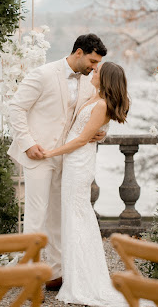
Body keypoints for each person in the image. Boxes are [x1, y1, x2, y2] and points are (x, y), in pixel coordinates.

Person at [8, 34, 107, 289]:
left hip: (67, 157)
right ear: (78, 52)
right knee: (36, 216)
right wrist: (28, 143)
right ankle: (30, 279)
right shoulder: (43, 74)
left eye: (97, 63)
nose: (94, 67)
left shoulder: (87, 83)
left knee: (57, 216)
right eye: (92, 61)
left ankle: (54, 272)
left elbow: (90, 115)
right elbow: (16, 109)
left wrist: (100, 132)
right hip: (38, 155)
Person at [42, 62, 130, 307]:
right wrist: (103, 131)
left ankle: (83, 278)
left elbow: (82, 139)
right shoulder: (95, 97)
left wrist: (51, 153)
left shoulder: (101, 105)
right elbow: (89, 127)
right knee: (72, 214)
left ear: (107, 80)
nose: (93, 72)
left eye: (98, 72)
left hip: (79, 162)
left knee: (78, 212)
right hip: (73, 161)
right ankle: (74, 272)